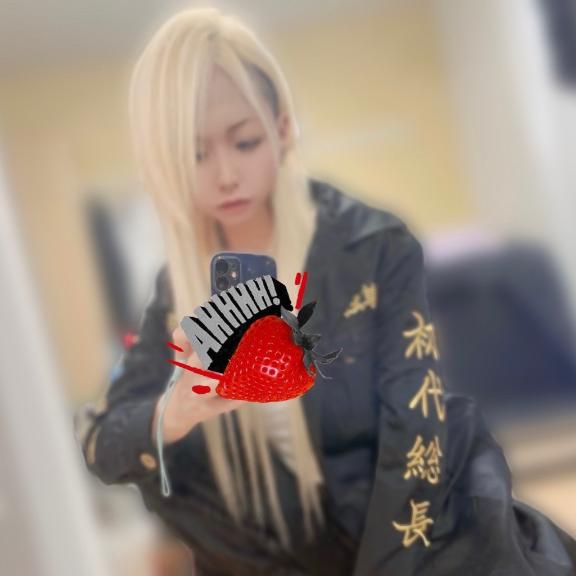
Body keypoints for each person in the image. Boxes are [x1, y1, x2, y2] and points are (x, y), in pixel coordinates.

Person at [81, 7, 576, 576]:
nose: (225, 175)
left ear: (281, 129)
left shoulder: (373, 246)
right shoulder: (180, 292)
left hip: (426, 544)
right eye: (195, 154)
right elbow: (103, 442)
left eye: (244, 142)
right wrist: (175, 412)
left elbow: (414, 429)